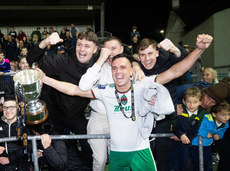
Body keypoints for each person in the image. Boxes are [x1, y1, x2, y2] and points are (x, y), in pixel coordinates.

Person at [37, 33, 213, 170]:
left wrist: (199, 50)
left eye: (123, 67)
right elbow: (74, 89)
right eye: (114, 68)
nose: (118, 72)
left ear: (132, 70)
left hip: (141, 153)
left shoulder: (142, 84)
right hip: (117, 155)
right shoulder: (106, 92)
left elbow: (176, 71)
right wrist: (44, 79)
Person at [27, 30, 102, 170]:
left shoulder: (99, 64)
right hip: (56, 113)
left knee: (89, 147)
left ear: (95, 49)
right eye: (80, 44)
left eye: (87, 46)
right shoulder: (64, 60)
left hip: (76, 115)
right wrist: (45, 42)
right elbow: (31, 59)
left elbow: (122, 57)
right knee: (55, 150)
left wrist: (135, 66)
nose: (82, 49)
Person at [79, 36, 144, 171]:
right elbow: (83, 86)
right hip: (99, 117)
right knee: (100, 159)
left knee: (118, 158)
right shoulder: (98, 68)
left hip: (121, 117)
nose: (110, 52)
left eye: (113, 49)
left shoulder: (130, 68)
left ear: (121, 49)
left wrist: (136, 66)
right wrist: (101, 59)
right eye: (107, 49)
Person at [136, 37, 189, 170]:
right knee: (141, 155)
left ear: (157, 53)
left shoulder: (166, 61)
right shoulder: (136, 68)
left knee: (163, 155)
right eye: (142, 55)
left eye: (150, 54)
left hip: (164, 119)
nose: (147, 59)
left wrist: (175, 49)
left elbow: (185, 63)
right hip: (142, 118)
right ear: (138, 56)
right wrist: (135, 66)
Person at [169, 87, 207, 171]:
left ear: (200, 102)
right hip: (174, 141)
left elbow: (195, 129)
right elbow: (173, 126)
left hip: (187, 142)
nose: (191, 105)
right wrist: (180, 135)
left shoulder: (201, 113)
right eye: (188, 101)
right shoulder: (179, 109)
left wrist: (185, 138)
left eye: (195, 102)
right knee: (173, 164)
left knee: (185, 164)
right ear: (183, 101)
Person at [191, 101, 230, 171]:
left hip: (207, 145)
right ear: (214, 114)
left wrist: (219, 135)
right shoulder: (205, 119)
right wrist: (206, 133)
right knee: (197, 165)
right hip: (196, 144)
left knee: (208, 165)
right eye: (223, 115)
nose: (226, 117)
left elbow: (222, 131)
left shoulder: (226, 124)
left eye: (228, 114)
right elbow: (196, 128)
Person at [0, 95, 30, 170]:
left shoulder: (24, 125)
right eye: (5, 108)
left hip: (20, 166)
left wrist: (10, 159)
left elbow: (28, 147)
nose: (8, 110)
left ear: (18, 108)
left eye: (11, 107)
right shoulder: (0, 124)